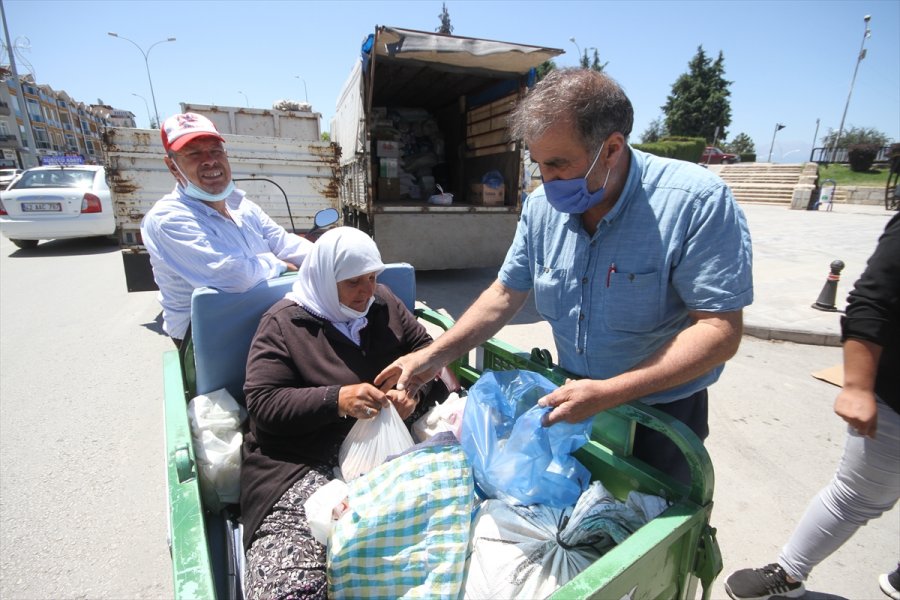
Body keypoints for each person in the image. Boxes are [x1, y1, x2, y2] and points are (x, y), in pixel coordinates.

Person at [376, 68, 753, 482]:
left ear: (611, 149)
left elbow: (719, 331)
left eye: (558, 164)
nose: (546, 181)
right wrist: (432, 357)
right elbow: (505, 294)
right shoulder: (541, 209)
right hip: (575, 401)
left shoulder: (694, 202)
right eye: (538, 164)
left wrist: (612, 393)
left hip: (662, 418)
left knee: (657, 524)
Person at [239, 226, 447, 599]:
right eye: (353, 282)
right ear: (324, 277)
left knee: (420, 550)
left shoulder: (383, 303)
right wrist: (336, 400)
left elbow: (425, 353)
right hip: (301, 462)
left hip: (385, 454)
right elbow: (264, 404)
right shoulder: (284, 324)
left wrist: (412, 390)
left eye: (372, 277)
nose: (366, 291)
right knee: (293, 582)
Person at [724, 213, 900, 600]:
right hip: (894, 402)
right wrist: (857, 384)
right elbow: (873, 300)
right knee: (856, 496)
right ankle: (787, 574)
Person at [141, 112, 312, 347]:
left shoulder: (240, 205)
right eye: (193, 153)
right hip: (207, 337)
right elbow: (233, 276)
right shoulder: (167, 218)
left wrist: (331, 260)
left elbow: (283, 242)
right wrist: (279, 264)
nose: (209, 160)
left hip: (257, 319)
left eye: (215, 151)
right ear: (172, 165)